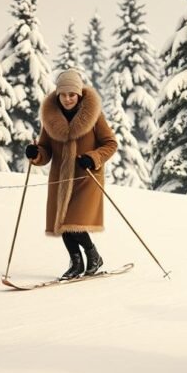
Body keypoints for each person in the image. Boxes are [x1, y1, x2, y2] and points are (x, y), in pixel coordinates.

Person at [25, 69, 118, 280]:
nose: (67, 99)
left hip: (86, 177)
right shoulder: (50, 118)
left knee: (73, 220)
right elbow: (45, 151)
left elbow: (110, 144)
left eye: (72, 95)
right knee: (62, 222)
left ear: (79, 95)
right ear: (58, 95)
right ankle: (76, 262)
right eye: (63, 94)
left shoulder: (94, 116)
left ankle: (93, 256)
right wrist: (35, 153)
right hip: (60, 178)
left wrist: (93, 157)